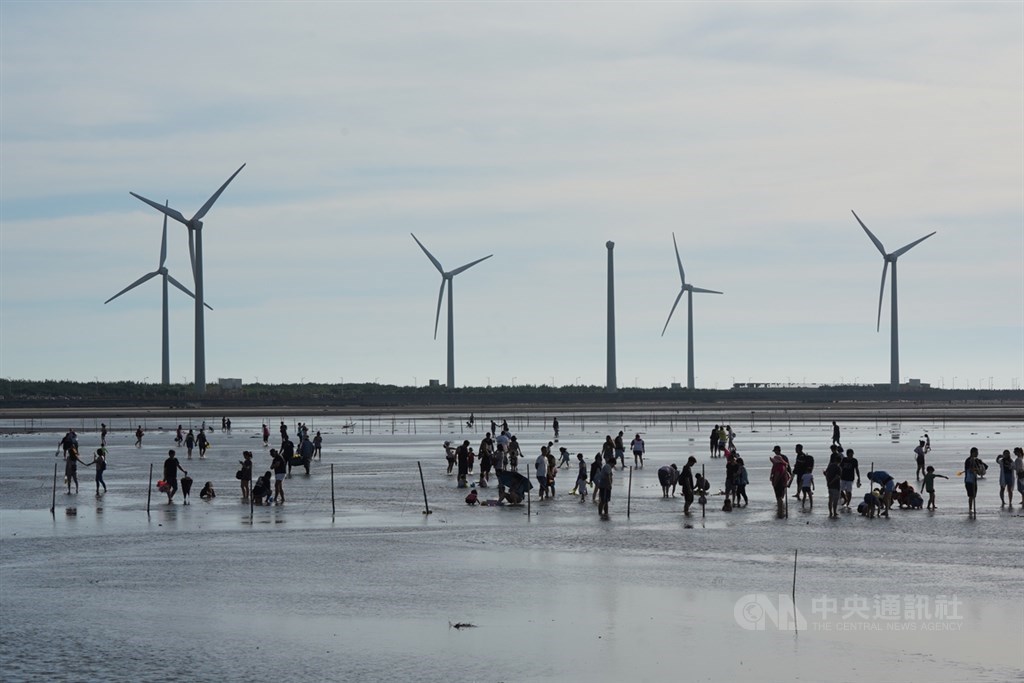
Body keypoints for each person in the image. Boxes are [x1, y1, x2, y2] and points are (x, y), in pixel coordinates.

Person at [769, 447, 791, 517]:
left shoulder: (780, 465)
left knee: (779, 496)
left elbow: (778, 474)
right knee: (780, 496)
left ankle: (780, 510)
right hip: (782, 481)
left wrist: (775, 483)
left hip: (780, 482)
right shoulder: (779, 465)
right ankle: (780, 509)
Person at [963, 447, 981, 515]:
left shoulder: (976, 460)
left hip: (974, 480)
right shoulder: (968, 460)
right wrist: (975, 469)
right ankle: (970, 508)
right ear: (972, 453)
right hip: (969, 480)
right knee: (971, 495)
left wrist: (978, 469)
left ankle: (972, 508)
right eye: (976, 452)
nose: (977, 454)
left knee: (974, 495)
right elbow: (970, 469)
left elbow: (979, 472)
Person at [824, 453, 841, 518]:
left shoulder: (830, 466)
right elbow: (837, 477)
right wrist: (831, 482)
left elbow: (826, 473)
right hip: (835, 486)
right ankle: (834, 512)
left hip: (829, 485)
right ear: (840, 461)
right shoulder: (838, 468)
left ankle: (830, 512)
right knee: (835, 500)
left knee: (830, 499)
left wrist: (828, 481)